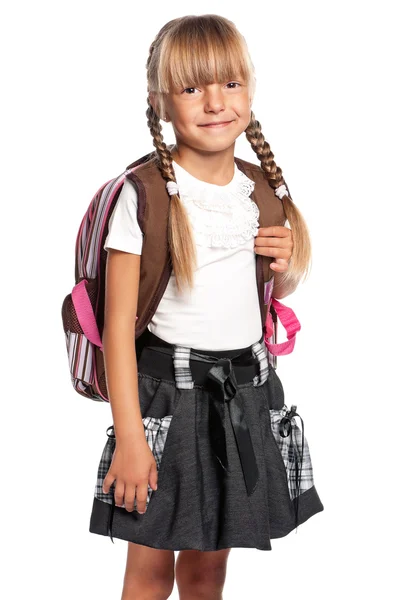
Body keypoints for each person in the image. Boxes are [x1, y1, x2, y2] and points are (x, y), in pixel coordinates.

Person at [88, 13, 324, 600]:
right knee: (148, 572)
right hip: (167, 401)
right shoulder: (142, 197)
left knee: (207, 571)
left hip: (242, 395)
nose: (215, 101)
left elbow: (265, 298)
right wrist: (132, 437)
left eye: (230, 83)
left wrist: (283, 267)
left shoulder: (259, 189)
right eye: (192, 87)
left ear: (249, 88)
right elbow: (117, 328)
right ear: (160, 102)